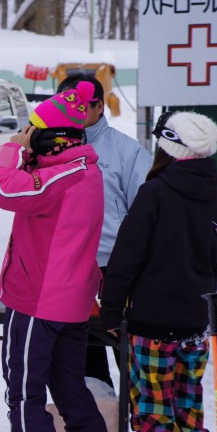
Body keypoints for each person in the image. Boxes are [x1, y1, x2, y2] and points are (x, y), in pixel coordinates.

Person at [0, 81, 112, 432]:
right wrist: (29, 153)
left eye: (34, 132)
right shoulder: (80, 170)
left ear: (52, 138)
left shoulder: (66, 177)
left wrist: (11, 150)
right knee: (71, 389)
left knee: (25, 397)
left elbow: (0, 187)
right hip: (69, 304)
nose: (29, 138)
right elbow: (32, 184)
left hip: (38, 304)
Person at [99, 111, 217, 432]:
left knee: (155, 418)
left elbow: (126, 257)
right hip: (196, 325)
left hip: (152, 326)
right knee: (188, 414)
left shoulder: (156, 192)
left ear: (168, 148)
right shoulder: (213, 198)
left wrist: (111, 310)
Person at [56, 75, 152, 389]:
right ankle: (98, 421)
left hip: (114, 266)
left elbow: (147, 211)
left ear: (99, 107)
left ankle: (141, 417)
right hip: (68, 266)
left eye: (82, 106)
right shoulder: (48, 148)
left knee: (126, 347)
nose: (73, 112)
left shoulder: (127, 151)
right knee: (80, 350)